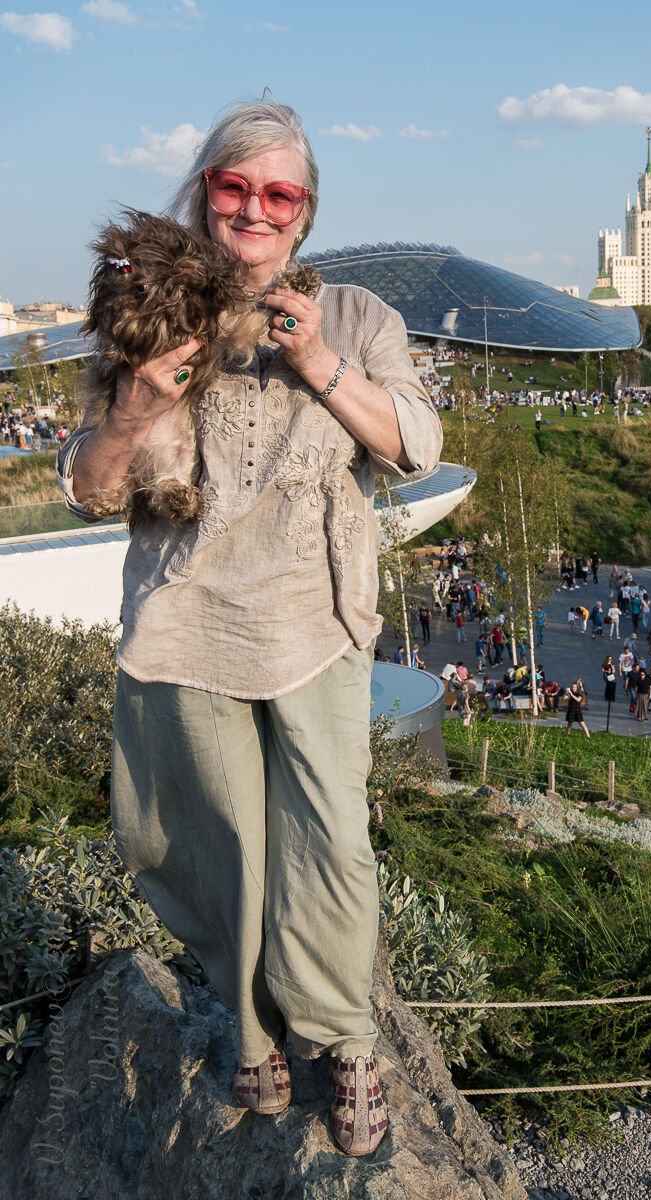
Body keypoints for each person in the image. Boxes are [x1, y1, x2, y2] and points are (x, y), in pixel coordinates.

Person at [57, 99, 442, 1157]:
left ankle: (344, 1038)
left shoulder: (352, 313)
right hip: (187, 620)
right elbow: (86, 490)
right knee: (216, 843)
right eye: (235, 187)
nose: (254, 209)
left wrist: (319, 361)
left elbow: (415, 442)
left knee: (332, 838)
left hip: (315, 614)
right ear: (206, 192)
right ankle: (256, 1030)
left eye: (279, 193)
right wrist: (135, 406)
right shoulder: (152, 304)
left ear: (305, 210)